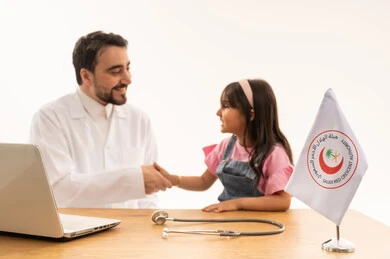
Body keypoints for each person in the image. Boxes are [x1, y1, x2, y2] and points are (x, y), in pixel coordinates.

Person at [30, 31, 172, 208]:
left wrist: (149, 229)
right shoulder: (51, 118)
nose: (128, 79)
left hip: (132, 233)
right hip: (78, 232)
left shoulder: (139, 119)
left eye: (127, 68)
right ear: (86, 76)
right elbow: (58, 191)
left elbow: (149, 196)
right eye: (116, 72)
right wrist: (133, 180)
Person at [155, 79, 294, 212]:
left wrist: (238, 204)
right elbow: (203, 181)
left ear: (251, 115)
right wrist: (174, 180)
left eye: (226, 106)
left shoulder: (274, 154)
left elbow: (282, 201)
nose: (218, 113)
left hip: (259, 227)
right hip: (229, 223)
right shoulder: (226, 146)